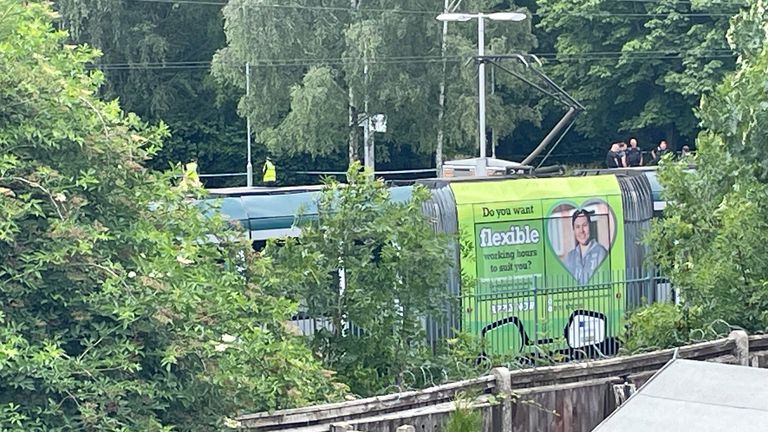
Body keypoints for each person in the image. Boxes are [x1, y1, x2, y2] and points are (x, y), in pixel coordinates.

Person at [564, 209, 608, 285]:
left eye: (584, 225)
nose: (581, 231)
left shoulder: (601, 252)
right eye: (577, 227)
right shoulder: (570, 257)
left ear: (590, 226)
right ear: (573, 230)